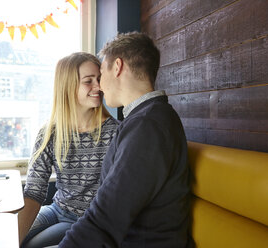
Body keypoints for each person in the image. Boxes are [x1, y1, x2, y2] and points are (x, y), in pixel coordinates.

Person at [59, 32, 192, 247]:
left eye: (101, 75)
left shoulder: (148, 125)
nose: (100, 86)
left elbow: (106, 218)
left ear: (118, 66)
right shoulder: (145, 119)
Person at [18, 52, 119, 248]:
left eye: (99, 79)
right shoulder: (50, 132)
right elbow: (34, 192)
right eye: (89, 81)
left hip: (87, 220)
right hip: (56, 210)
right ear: (68, 86)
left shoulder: (115, 132)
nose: (99, 86)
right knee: (6, 238)